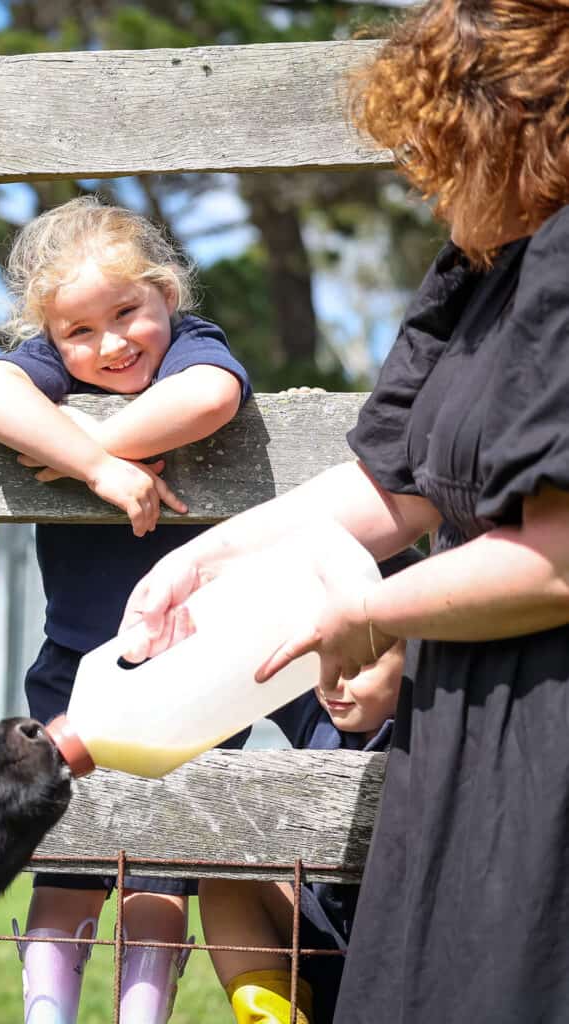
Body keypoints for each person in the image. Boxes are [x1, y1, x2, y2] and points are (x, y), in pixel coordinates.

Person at [118, 0, 569, 1018]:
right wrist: (207, 557)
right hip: (461, 737)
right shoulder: (479, 265)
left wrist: (365, 614)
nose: (419, 173)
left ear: (510, 129)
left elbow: (556, 557)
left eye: (439, 146)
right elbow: (392, 482)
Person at [0, 194, 252, 1024]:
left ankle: (142, 1014)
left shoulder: (193, 348)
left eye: (127, 313)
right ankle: (46, 1013)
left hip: (194, 670)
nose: (109, 344)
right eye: (77, 333)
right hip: (77, 664)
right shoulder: (56, 368)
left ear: (166, 293)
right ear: (50, 336)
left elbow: (209, 399)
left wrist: (79, 447)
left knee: (163, 856)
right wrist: (96, 467)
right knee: (69, 853)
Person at [200, 549, 422, 1024]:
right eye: (324, 656)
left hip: (411, 961)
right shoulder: (316, 713)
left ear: (418, 657)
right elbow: (254, 643)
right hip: (323, 943)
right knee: (225, 873)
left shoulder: (433, 728)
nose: (333, 681)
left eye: (359, 664)